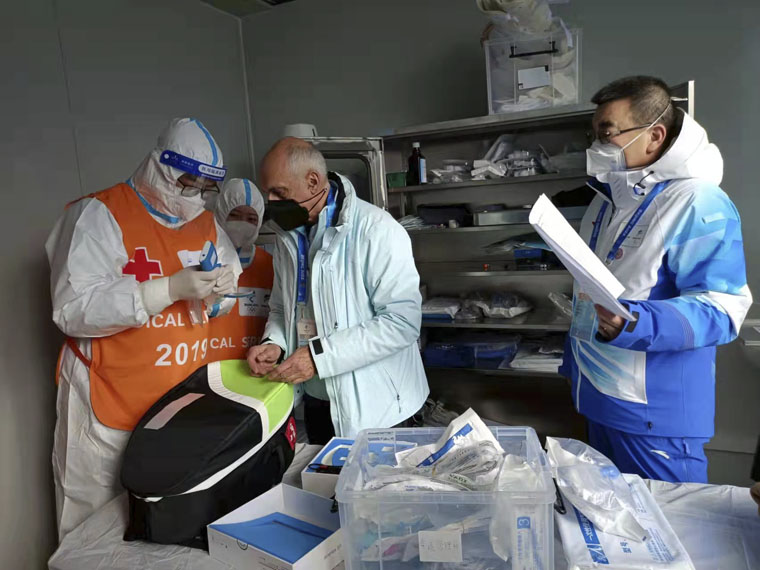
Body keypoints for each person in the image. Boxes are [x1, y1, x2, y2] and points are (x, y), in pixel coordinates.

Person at [46, 118, 241, 538]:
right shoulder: (98, 215)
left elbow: (224, 297)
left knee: (160, 524)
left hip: (173, 405)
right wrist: (165, 289)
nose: (195, 196)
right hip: (106, 401)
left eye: (205, 188)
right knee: (92, 526)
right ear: (158, 167)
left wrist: (220, 294)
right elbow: (72, 308)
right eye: (186, 183)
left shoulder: (206, 223)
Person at [560, 76, 752, 483]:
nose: (597, 145)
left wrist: (633, 322)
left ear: (654, 136)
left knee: (669, 520)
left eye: (607, 133)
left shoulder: (696, 202)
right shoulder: (606, 201)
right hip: (599, 399)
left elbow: (722, 310)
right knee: (610, 518)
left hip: (652, 417)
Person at [247, 138, 429, 443]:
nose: (271, 201)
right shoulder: (287, 238)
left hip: (380, 409)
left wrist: (318, 357)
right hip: (317, 399)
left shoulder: (377, 230)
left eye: (280, 192)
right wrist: (274, 343)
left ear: (312, 181)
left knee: (377, 476)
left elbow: (401, 323)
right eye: (268, 192)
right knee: (326, 475)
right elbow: (280, 307)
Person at [208, 178, 273, 360]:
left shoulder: (269, 265)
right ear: (221, 213)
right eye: (235, 215)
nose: (242, 224)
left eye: (251, 219)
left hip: (253, 364)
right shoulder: (200, 258)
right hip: (205, 366)